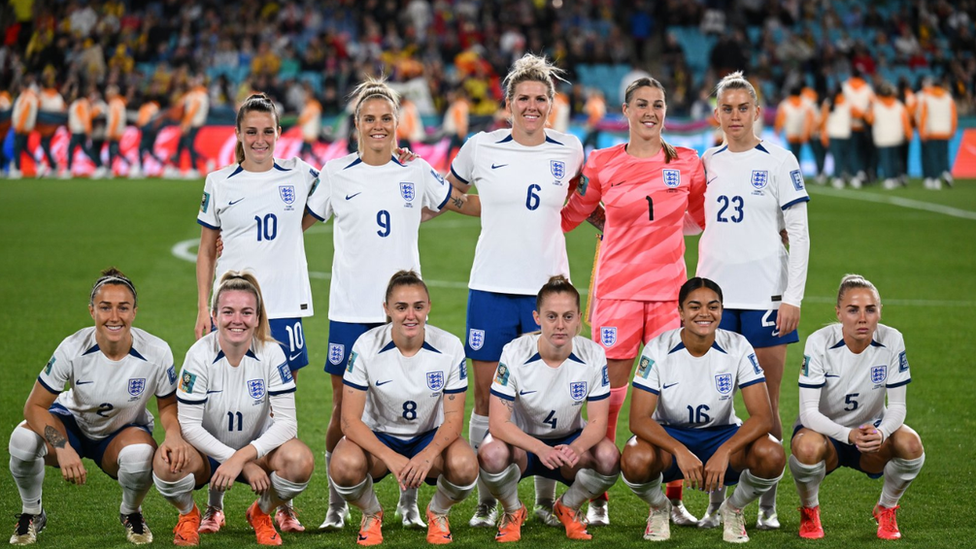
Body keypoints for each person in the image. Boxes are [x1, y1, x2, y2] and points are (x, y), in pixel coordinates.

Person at [305, 76, 472, 531]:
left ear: (398, 123)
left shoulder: (414, 171)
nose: (378, 126)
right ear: (355, 124)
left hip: (404, 312)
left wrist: (512, 204)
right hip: (351, 310)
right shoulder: (336, 174)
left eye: (386, 118)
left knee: (411, 402)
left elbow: (455, 202)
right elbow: (297, 222)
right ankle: (338, 503)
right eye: (368, 119)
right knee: (343, 409)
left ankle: (409, 500)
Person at [444, 53, 585, 528]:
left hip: (549, 294)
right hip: (491, 287)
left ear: (551, 104)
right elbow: (453, 192)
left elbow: (584, 201)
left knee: (546, 398)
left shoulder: (570, 149)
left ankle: (545, 500)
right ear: (507, 104)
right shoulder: (480, 147)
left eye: (540, 98)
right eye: (522, 98)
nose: (531, 105)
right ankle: (490, 499)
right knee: (487, 398)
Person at [561, 76, 706, 527]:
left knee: (672, 397)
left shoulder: (687, 162)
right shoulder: (602, 163)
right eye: (641, 104)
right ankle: (598, 494)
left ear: (666, 110)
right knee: (609, 397)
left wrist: (657, 234)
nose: (650, 112)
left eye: (658, 104)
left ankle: (674, 496)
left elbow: (701, 220)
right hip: (617, 293)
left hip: (669, 297)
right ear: (624, 111)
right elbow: (569, 216)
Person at [195, 92, 319, 533]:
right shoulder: (219, 181)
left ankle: (274, 505)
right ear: (239, 135)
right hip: (231, 312)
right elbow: (207, 250)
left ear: (279, 133)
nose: (261, 139)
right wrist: (201, 307)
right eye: (252, 131)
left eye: (268, 131)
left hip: (284, 308)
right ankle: (214, 503)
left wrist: (288, 232)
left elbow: (329, 197)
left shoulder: (302, 174)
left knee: (275, 414)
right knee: (219, 408)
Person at [695, 71, 810, 530]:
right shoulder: (706, 162)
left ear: (757, 111)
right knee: (715, 406)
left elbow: (798, 233)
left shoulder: (780, 160)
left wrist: (792, 297)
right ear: (717, 113)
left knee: (766, 407)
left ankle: (766, 503)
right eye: (728, 108)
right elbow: (685, 220)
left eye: (744, 107)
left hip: (767, 298)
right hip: (714, 304)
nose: (736, 115)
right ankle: (715, 503)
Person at [8, 268, 185, 545]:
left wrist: (173, 435)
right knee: (22, 440)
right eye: (105, 307)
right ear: (92, 311)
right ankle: (31, 512)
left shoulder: (157, 351)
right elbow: (34, 407)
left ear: (135, 312)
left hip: (121, 433)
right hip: (72, 426)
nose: (114, 317)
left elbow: (167, 405)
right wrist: (63, 447)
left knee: (141, 456)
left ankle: (131, 512)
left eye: (123, 308)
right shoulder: (72, 348)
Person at [152, 271, 314, 547]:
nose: (237, 320)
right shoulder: (199, 355)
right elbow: (188, 426)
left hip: (258, 453)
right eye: (228, 311)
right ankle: (188, 513)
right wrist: (238, 461)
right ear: (214, 316)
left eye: (246, 312)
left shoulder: (273, 353)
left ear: (258, 318)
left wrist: (243, 459)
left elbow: (288, 424)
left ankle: (261, 512)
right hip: (205, 455)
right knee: (166, 463)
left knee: (300, 460)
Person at [621, 277, 785, 543]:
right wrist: (679, 450)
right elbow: (638, 420)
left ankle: (732, 509)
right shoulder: (657, 349)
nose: (705, 314)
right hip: (671, 438)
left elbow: (763, 417)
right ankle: (660, 508)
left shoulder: (738, 346)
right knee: (634, 459)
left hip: (722, 435)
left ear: (722, 310)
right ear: (681, 312)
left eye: (713, 306)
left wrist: (725, 450)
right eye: (695, 306)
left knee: (772, 453)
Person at [329, 271, 477, 546]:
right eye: (401, 307)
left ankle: (438, 513)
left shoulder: (450, 347)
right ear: (386, 309)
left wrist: (428, 454)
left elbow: (454, 419)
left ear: (428, 307)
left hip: (428, 438)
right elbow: (348, 421)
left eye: (418, 307)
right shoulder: (366, 346)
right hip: (380, 439)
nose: (411, 315)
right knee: (343, 465)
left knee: (466, 466)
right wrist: (390, 457)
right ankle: (372, 514)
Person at [477, 276, 619, 542]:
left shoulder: (593, 354)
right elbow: (498, 423)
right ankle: (513, 511)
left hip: (568, 444)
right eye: (551, 316)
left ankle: (568, 507)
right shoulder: (514, 352)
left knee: (609, 457)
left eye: (568, 317)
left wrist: (576, 448)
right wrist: (539, 448)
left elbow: (598, 422)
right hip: (522, 446)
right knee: (491, 453)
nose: (560, 325)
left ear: (579, 318)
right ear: (537, 318)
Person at [790, 274, 924, 540]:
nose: (862, 318)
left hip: (871, 434)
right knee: (806, 449)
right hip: (825, 434)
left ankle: (886, 508)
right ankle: (809, 510)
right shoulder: (819, 342)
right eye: (853, 310)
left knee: (911, 445)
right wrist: (847, 435)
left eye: (870, 309)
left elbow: (897, 406)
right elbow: (808, 413)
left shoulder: (893, 339)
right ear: (839, 313)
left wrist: (882, 432)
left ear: (879, 312)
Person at [864, 82, 912, 190]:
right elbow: (906, 121)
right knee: (895, 159)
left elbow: (869, 119)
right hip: (896, 137)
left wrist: (870, 106)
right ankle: (895, 177)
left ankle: (888, 178)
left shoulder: (876, 106)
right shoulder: (899, 105)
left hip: (882, 137)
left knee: (886, 160)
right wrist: (909, 134)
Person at [916, 76, 958, 190]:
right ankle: (946, 172)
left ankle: (934, 179)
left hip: (932, 132)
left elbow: (924, 117)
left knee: (932, 156)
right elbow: (953, 116)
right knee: (944, 154)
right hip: (945, 131)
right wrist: (953, 130)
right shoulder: (948, 98)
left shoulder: (927, 98)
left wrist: (922, 132)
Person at [820, 87, 855, 189]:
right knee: (843, 157)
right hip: (844, 133)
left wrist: (823, 133)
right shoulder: (847, 101)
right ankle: (842, 176)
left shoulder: (828, 102)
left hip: (835, 134)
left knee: (838, 157)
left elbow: (824, 119)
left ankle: (839, 177)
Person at [9, 78, 39, 179]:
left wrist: (19, 126)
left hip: (22, 127)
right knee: (24, 148)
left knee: (17, 148)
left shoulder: (27, 97)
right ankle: (39, 164)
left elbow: (24, 113)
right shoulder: (32, 96)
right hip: (26, 127)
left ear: (22, 87)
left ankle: (17, 170)